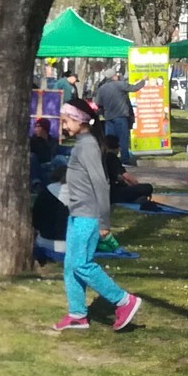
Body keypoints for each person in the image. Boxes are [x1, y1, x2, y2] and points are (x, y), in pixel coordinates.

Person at [49, 104, 142, 333]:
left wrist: (104, 222)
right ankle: (77, 314)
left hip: (88, 215)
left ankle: (123, 300)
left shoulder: (88, 146)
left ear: (80, 120)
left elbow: (101, 184)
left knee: (82, 264)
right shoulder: (82, 145)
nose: (64, 124)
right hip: (77, 213)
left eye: (67, 120)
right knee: (71, 265)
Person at [93, 65, 140, 163]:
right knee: (123, 139)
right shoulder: (120, 85)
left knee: (109, 140)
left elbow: (98, 103)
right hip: (120, 116)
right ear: (113, 76)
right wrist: (143, 81)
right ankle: (125, 159)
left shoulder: (102, 88)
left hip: (108, 117)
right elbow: (135, 88)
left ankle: (109, 159)